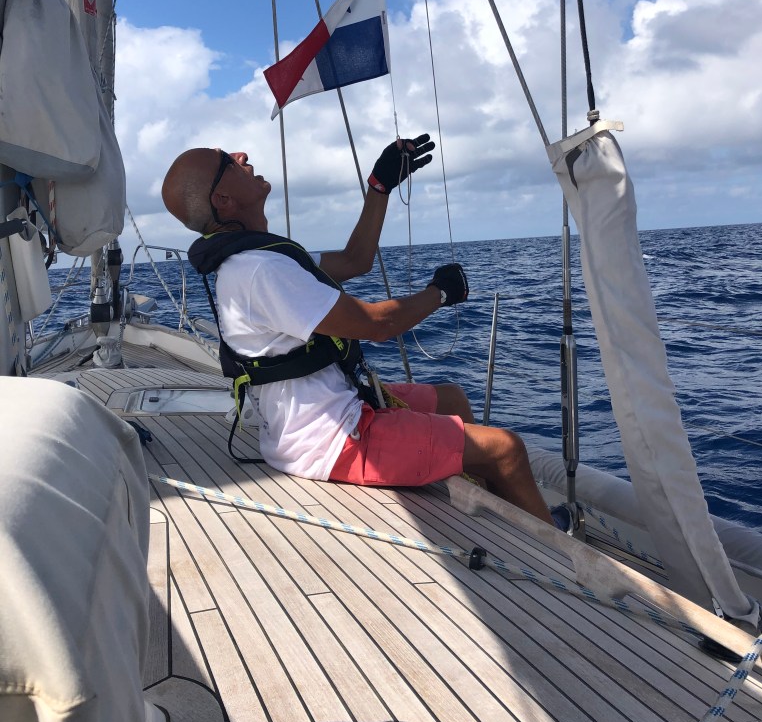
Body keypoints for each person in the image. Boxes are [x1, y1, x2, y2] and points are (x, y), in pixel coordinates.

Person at [161, 135, 557, 526]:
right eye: (227, 161)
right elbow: (377, 324)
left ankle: (503, 514)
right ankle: (557, 552)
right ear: (223, 200)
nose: (241, 154)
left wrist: (379, 187)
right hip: (331, 440)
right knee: (506, 449)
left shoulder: (261, 257)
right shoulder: (260, 270)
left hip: (322, 416)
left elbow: (355, 260)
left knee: (451, 398)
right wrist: (440, 293)